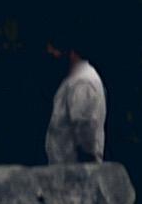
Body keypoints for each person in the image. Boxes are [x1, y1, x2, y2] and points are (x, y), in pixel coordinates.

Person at [43, 41, 103, 172]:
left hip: (76, 176)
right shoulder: (73, 79)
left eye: (55, 50)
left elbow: (86, 132)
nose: (51, 54)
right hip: (66, 174)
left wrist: (87, 173)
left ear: (71, 52)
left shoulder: (82, 82)